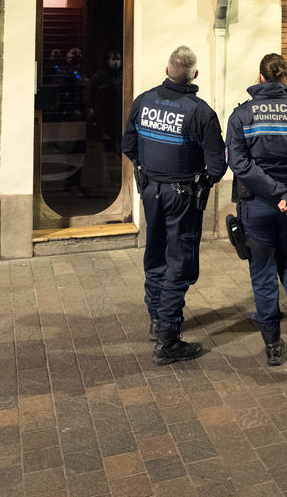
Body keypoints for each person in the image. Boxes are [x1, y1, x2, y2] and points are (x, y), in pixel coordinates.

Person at [122, 45, 226, 365]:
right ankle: (167, 339)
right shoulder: (201, 112)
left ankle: (157, 319)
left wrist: (150, 171)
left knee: (155, 255)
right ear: (195, 75)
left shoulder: (144, 101)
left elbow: (128, 145)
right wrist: (200, 181)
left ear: (167, 71)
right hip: (182, 196)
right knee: (179, 263)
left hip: (150, 191)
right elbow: (217, 165)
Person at [226, 53, 287, 371]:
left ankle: (273, 345)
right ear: (285, 79)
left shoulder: (241, 115)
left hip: (257, 205)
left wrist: (273, 193)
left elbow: (239, 163)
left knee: (263, 272)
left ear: (260, 78)